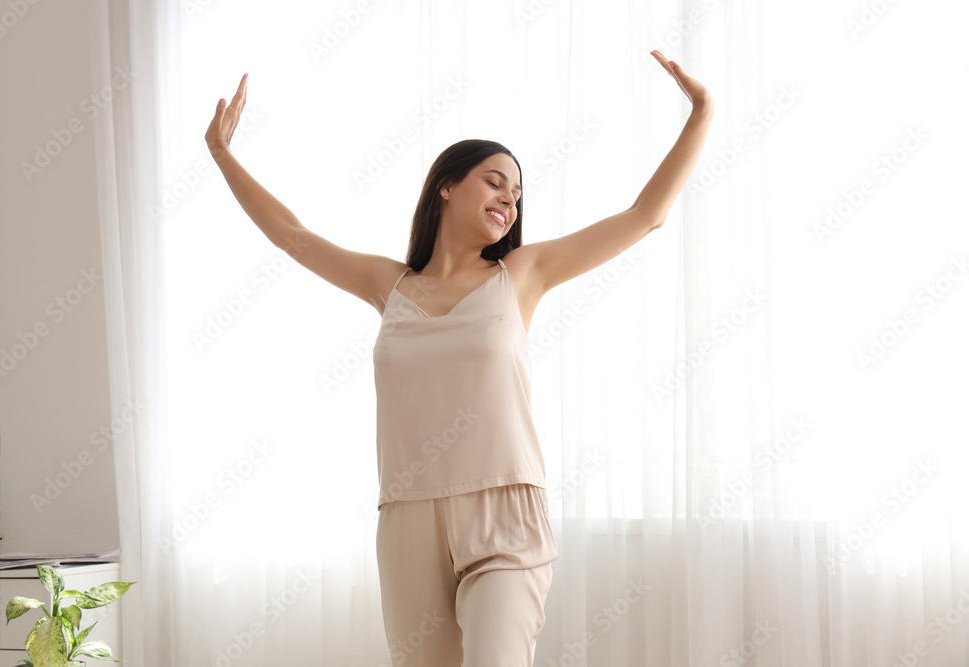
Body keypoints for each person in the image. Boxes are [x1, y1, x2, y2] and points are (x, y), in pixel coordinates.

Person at [205, 50, 712, 667]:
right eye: (495, 181)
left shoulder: (523, 274)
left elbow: (645, 215)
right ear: (447, 185)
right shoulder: (387, 285)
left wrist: (702, 113)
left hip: (503, 510)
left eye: (518, 195)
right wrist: (224, 157)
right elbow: (293, 235)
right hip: (408, 521)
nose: (509, 201)